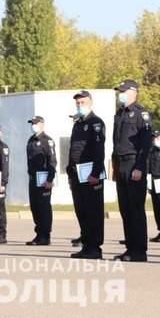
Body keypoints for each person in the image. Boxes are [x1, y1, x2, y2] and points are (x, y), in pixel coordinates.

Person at [112, 79, 151, 262]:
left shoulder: (140, 113)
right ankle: (130, 248)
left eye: (123, 91)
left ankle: (139, 251)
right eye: (120, 91)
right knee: (125, 209)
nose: (120, 93)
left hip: (134, 164)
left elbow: (145, 144)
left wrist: (139, 167)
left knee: (136, 208)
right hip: (121, 164)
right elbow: (116, 141)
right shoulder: (119, 114)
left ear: (133, 92)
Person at [67, 90, 105, 260]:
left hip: (90, 174)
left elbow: (99, 150)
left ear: (90, 102)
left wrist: (95, 173)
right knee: (81, 211)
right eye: (78, 103)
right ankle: (86, 245)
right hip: (77, 174)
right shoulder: (78, 123)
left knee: (93, 212)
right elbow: (73, 149)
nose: (80, 105)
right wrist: (70, 172)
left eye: (83, 102)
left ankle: (95, 248)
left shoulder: (95, 122)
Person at [25, 116, 57, 246]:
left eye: (35, 123)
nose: (33, 125)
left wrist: (50, 179)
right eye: (32, 123)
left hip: (44, 179)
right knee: (35, 207)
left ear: (42, 124)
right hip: (33, 178)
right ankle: (39, 234)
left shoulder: (47, 141)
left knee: (44, 208)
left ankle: (45, 235)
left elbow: (52, 162)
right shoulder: (31, 140)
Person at [148, 130, 160, 243]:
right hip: (153, 180)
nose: (154, 139)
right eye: (153, 137)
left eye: (156, 137)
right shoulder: (151, 150)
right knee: (156, 206)